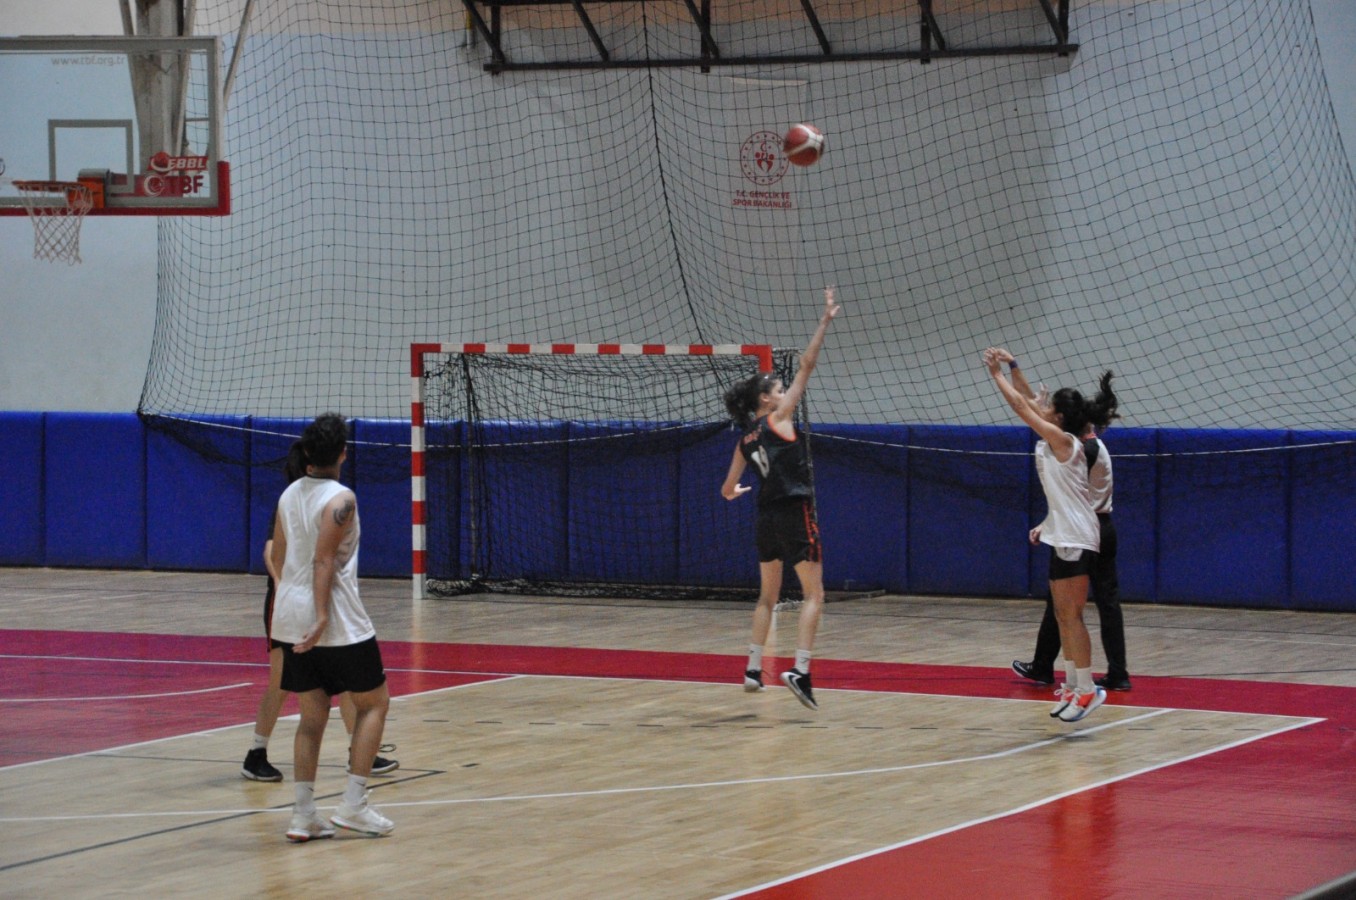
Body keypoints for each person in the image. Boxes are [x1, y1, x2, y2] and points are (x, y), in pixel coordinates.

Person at [271, 413, 395, 841]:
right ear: (343, 452)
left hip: (290, 615)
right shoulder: (341, 498)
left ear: (307, 452)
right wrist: (321, 614)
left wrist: (292, 604)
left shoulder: (289, 494)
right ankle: (354, 804)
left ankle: (303, 814)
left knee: (312, 714)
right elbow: (323, 559)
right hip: (335, 619)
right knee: (374, 703)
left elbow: (278, 556)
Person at [241, 448, 400, 783]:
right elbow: (272, 552)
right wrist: (288, 587)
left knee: (344, 683)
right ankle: (256, 752)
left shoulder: (327, 501)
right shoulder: (293, 500)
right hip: (290, 605)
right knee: (281, 682)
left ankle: (359, 753)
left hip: (318, 603)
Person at [983, 347, 1118, 723]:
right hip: (1064, 534)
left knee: (1072, 616)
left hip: (1078, 536)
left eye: (1049, 409)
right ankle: (1074, 686)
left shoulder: (1065, 443)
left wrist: (995, 376)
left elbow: (1023, 409)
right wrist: (1013, 366)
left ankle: (1088, 689)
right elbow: (1030, 402)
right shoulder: (1058, 434)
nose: (1040, 408)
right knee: (1061, 614)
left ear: (1058, 417)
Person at [721, 287, 841, 711]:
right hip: (795, 510)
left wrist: (736, 491)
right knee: (814, 595)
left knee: (766, 597)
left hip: (765, 519)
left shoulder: (743, 438)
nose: (785, 388)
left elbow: (726, 488)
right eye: (779, 386)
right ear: (767, 400)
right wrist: (824, 322)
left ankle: (754, 669)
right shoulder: (779, 418)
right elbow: (808, 364)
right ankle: (801, 671)